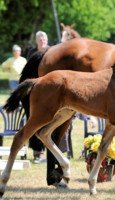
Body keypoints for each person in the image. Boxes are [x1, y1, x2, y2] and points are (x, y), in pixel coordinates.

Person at [26, 31, 49, 163]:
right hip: (35, 89)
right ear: (36, 41)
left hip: (49, 90)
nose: (42, 40)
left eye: (44, 38)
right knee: (34, 119)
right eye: (40, 39)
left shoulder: (52, 51)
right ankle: (37, 152)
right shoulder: (32, 53)